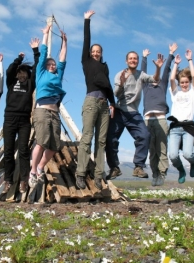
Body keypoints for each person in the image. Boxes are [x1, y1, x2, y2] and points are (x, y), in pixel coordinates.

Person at [105, 51, 164, 181]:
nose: (133, 60)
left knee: (145, 135)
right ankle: (114, 168)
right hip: (120, 111)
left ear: (137, 61)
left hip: (133, 113)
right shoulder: (120, 74)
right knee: (110, 139)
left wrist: (158, 68)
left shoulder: (141, 75)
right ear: (126, 61)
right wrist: (121, 84)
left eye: (135, 59)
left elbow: (155, 79)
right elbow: (116, 94)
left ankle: (138, 167)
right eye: (131, 59)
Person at [75, 10, 115, 191]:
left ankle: (99, 176)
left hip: (104, 105)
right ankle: (81, 174)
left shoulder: (104, 68)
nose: (96, 53)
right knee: (87, 138)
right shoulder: (87, 62)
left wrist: (113, 103)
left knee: (101, 141)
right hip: (91, 102)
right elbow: (86, 40)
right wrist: (86, 21)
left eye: (99, 52)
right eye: (94, 51)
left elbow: (108, 87)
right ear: (90, 53)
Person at [29, 25, 67, 188]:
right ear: (45, 66)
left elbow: (63, 59)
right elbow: (43, 53)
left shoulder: (58, 76)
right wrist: (45, 35)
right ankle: (32, 172)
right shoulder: (41, 73)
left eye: (53, 64)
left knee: (54, 145)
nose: (52, 65)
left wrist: (65, 42)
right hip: (42, 111)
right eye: (49, 64)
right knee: (42, 141)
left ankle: (40, 167)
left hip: (54, 112)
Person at [2, 38, 40, 194]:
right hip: (9, 118)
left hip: (24, 119)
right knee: (9, 150)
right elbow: (9, 71)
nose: (22, 74)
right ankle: (8, 180)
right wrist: (19, 59)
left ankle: (24, 181)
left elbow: (37, 69)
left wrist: (36, 52)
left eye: (25, 72)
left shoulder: (31, 84)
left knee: (24, 150)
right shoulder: (11, 83)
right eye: (20, 72)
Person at [141, 43, 178, 186]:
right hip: (148, 121)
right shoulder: (145, 86)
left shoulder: (162, 84)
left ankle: (162, 174)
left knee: (162, 148)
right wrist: (143, 58)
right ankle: (155, 174)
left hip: (161, 120)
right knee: (152, 149)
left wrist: (170, 54)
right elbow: (142, 72)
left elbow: (166, 70)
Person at [168, 50, 194, 184]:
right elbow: (171, 79)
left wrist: (190, 60)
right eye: (182, 82)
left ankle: (193, 163)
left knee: (188, 154)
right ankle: (181, 170)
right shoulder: (175, 93)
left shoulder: (193, 92)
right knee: (173, 155)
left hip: (188, 127)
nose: (184, 84)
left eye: (186, 82)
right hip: (175, 127)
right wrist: (175, 63)